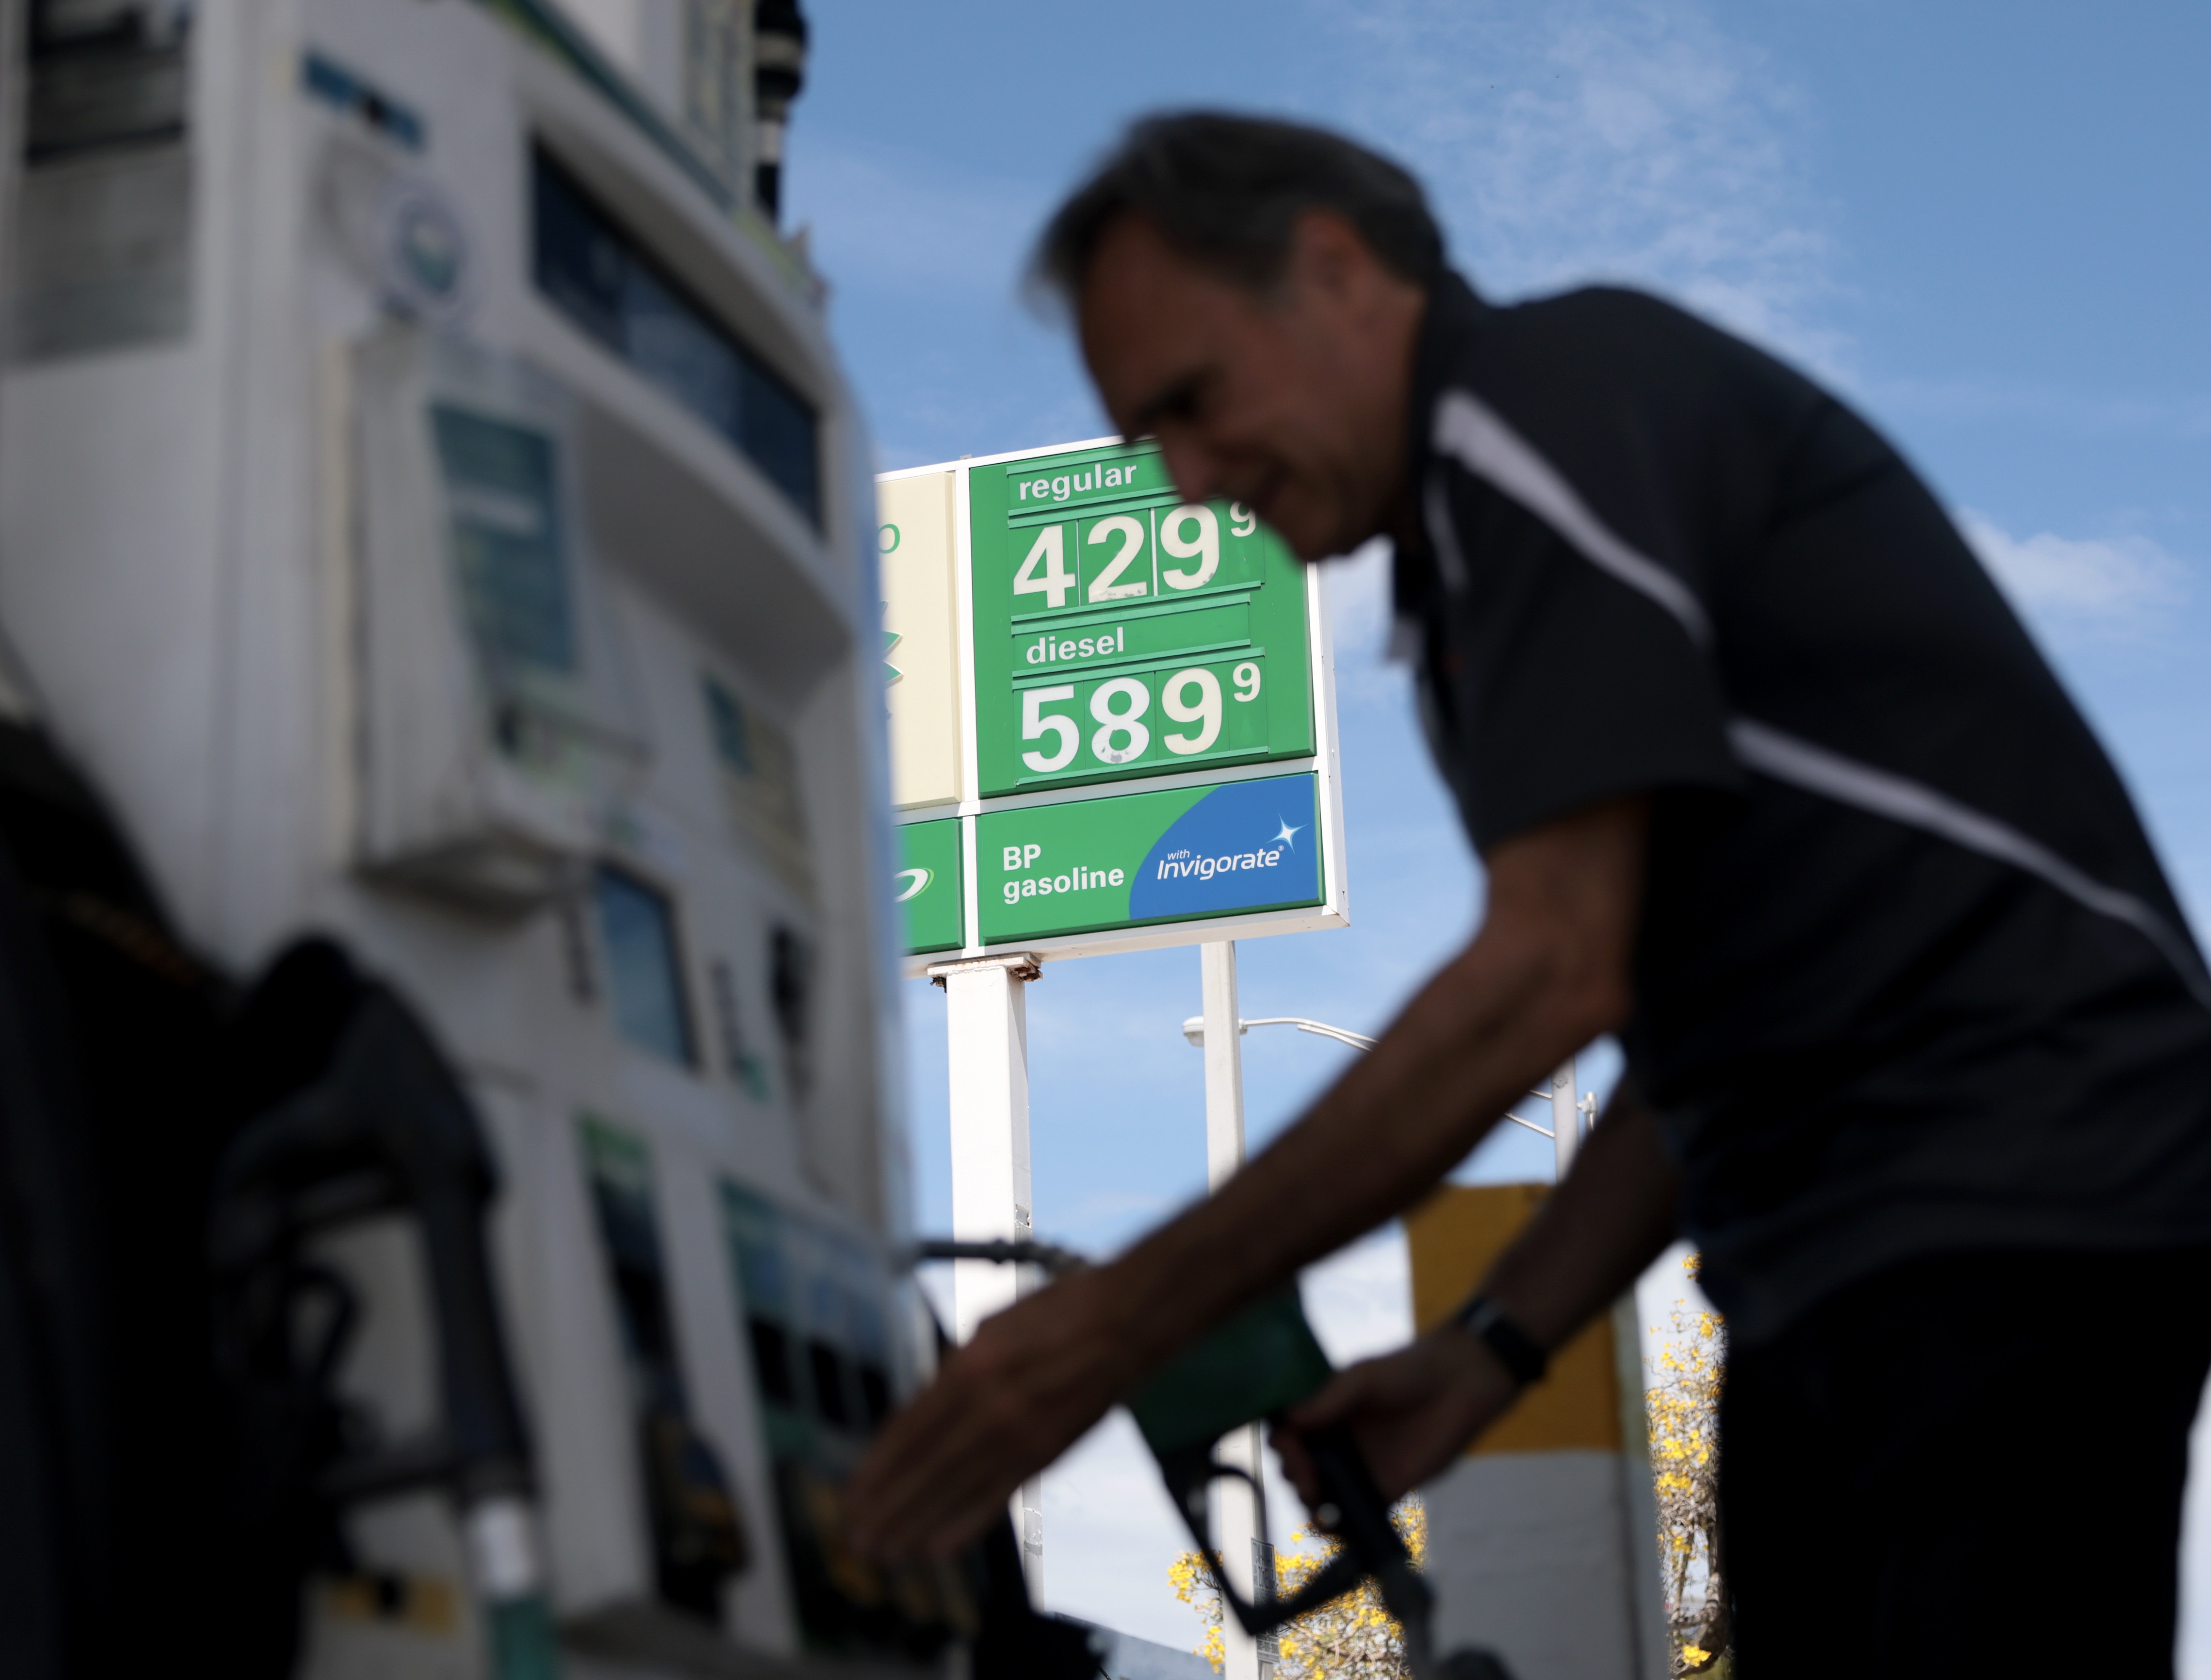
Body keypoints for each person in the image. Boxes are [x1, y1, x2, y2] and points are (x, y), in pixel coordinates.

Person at [845, 112, 2211, 1675]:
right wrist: (1491, 1351)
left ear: (1338, 270)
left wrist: (1110, 1328)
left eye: (1194, 403)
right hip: (1850, 1238)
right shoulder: (1461, 592)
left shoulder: (1533, 409)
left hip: (2009, 1185)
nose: (1190, 482)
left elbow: (1546, 974)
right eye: (1145, 441)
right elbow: (1684, 1029)